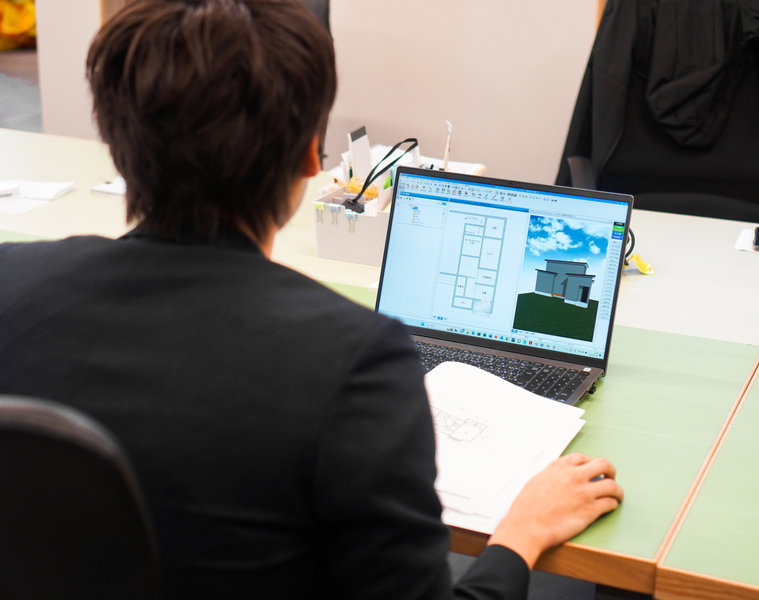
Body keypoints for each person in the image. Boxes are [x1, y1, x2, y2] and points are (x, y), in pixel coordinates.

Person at [0, 1, 623, 598]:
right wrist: (520, 534)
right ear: (308, 158)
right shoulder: (353, 359)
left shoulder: (9, 280)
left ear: (116, 142)